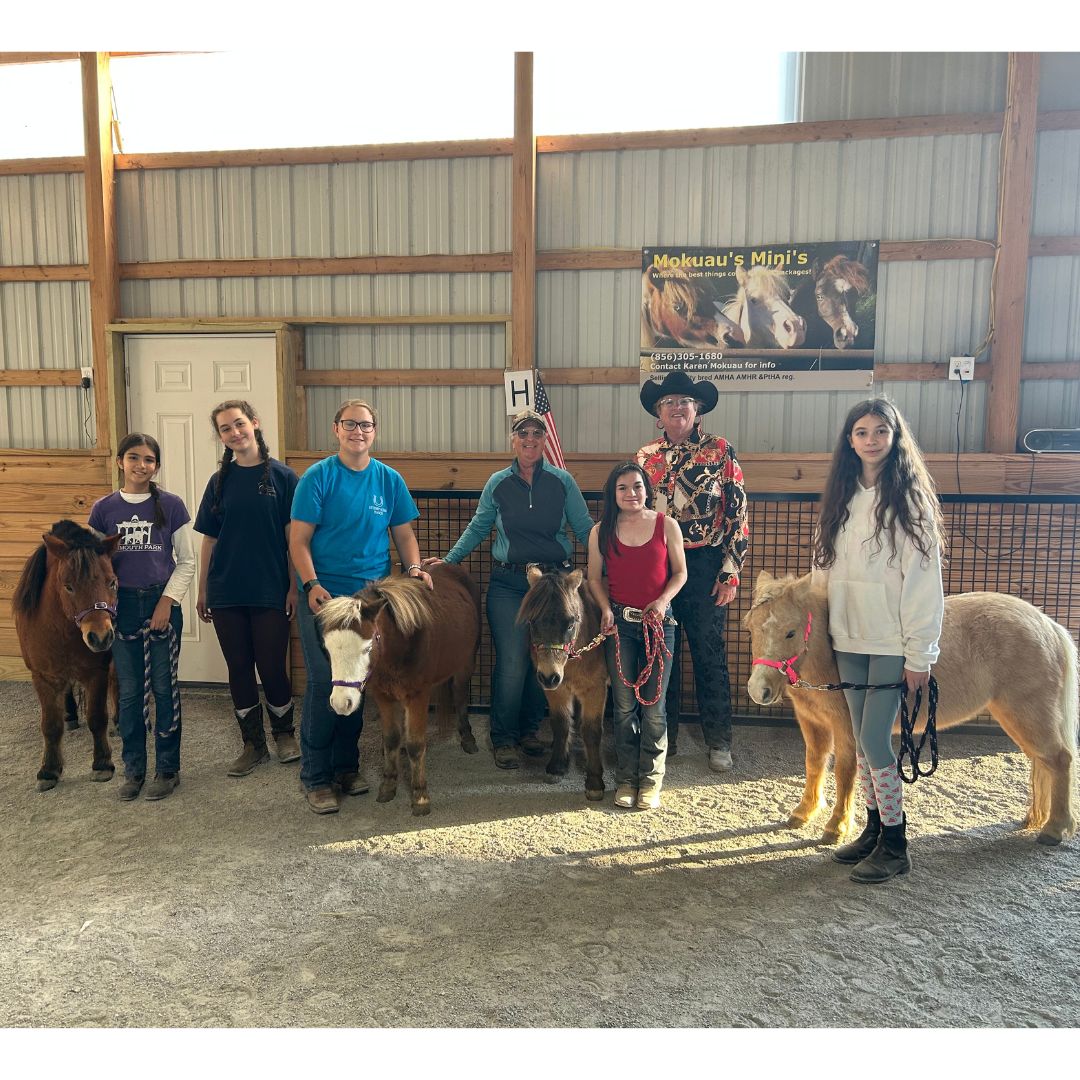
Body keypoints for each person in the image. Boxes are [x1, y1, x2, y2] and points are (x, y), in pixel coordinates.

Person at [811, 398, 945, 884]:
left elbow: (923, 582)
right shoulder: (840, 498)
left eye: (880, 431)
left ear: (894, 437)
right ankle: (873, 829)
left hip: (890, 639)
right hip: (849, 636)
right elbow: (822, 567)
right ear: (850, 440)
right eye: (862, 432)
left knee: (873, 739)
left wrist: (919, 653)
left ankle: (896, 843)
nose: (871, 440)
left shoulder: (911, 501)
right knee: (861, 741)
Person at [424, 409, 595, 771]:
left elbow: (584, 529)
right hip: (509, 583)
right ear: (513, 440)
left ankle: (529, 731)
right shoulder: (498, 483)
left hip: (553, 585)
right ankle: (503, 737)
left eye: (536, 434)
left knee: (544, 656)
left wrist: (609, 563)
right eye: (523, 433)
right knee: (514, 661)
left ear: (545, 440)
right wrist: (449, 561)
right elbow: (479, 526)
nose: (530, 440)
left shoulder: (562, 482)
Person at [288, 399, 431, 816]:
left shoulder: (388, 480)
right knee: (323, 683)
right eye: (350, 424)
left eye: (365, 425)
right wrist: (311, 583)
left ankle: (346, 768)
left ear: (374, 432)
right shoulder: (318, 478)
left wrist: (415, 568)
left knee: (356, 681)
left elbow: (404, 535)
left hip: (370, 600)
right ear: (336, 429)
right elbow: (298, 540)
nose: (358, 431)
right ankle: (316, 777)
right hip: (325, 599)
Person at [636, 371, 748, 773]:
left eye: (684, 401)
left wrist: (730, 571)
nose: (677, 407)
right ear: (658, 414)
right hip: (658, 565)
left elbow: (737, 513)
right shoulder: (645, 457)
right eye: (668, 402)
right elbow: (637, 514)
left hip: (704, 564)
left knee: (708, 652)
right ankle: (663, 736)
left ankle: (719, 740)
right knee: (660, 652)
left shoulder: (720, 451)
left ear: (696, 410)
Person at [194, 400, 300, 778]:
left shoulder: (284, 478)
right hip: (226, 591)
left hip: (270, 588)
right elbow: (209, 540)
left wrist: (293, 587)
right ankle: (253, 745)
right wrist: (203, 590)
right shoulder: (218, 482)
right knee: (239, 667)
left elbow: (294, 539)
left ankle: (284, 735)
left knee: (271, 666)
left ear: (254, 423)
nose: (234, 432)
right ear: (221, 437)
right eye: (225, 428)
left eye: (239, 424)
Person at [89, 433, 196, 802]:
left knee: (165, 689)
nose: (141, 465)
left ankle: (168, 769)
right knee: (131, 692)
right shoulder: (103, 510)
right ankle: (134, 769)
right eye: (133, 458)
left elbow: (186, 561)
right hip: (122, 607)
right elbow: (94, 568)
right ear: (120, 461)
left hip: (159, 601)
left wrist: (167, 602)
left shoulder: (172, 505)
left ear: (156, 466)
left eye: (149, 460)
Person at [587, 462, 686, 809]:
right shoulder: (600, 532)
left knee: (654, 707)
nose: (631, 493)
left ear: (647, 490)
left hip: (659, 625)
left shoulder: (667, 525)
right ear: (613, 494)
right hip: (620, 626)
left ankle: (651, 780)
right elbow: (594, 579)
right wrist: (605, 609)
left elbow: (680, 573)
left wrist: (662, 601)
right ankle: (626, 780)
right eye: (623, 488)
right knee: (625, 706)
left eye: (637, 486)